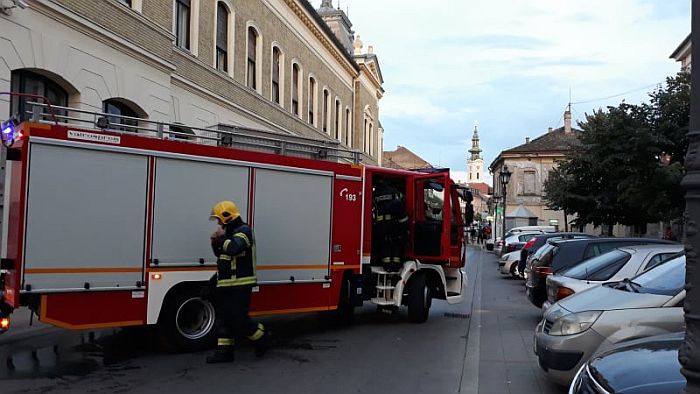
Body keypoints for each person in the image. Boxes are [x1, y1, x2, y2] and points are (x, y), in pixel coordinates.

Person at [201, 200, 271, 363]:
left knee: (239, 319)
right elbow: (221, 256)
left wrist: (221, 238)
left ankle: (262, 337)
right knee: (224, 319)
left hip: (241, 284)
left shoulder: (244, 231)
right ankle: (224, 352)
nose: (218, 222)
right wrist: (214, 242)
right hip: (226, 285)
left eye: (219, 219)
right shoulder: (229, 234)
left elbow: (234, 248)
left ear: (227, 217)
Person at [373, 179, 409, 272]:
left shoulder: (375, 193)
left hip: (379, 225)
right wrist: (404, 225)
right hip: (392, 224)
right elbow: (399, 206)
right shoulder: (394, 192)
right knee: (395, 242)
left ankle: (386, 265)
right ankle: (395, 266)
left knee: (384, 243)